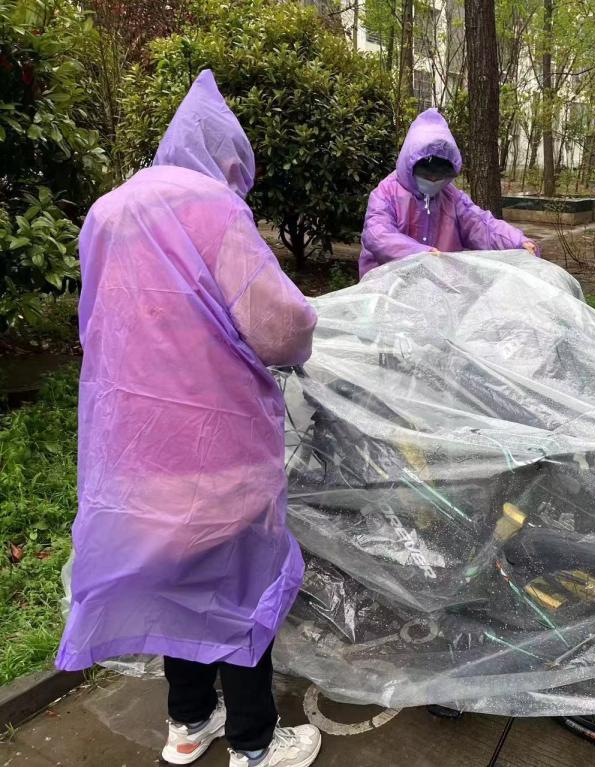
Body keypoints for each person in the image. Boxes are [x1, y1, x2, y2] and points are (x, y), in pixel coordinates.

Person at [56, 70, 322, 767]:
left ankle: (187, 722)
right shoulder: (214, 209)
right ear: (227, 159)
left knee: (179, 587)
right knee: (238, 594)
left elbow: (98, 323)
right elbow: (282, 327)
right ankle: (255, 743)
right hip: (216, 447)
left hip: (131, 450)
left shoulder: (106, 212)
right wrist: (305, 336)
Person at [359, 108, 537, 278]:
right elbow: (377, 235)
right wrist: (419, 254)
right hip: (390, 285)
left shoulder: (451, 197)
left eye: (440, 174)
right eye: (427, 173)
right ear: (410, 163)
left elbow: (481, 225)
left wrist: (517, 242)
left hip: (440, 284)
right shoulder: (386, 193)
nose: (433, 180)